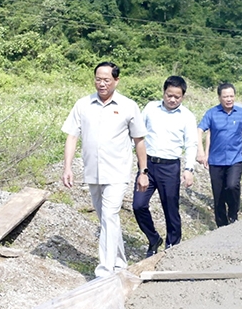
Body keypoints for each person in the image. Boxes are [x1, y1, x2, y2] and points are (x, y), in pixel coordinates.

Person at [62, 62, 148, 278]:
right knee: (107, 219)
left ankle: (104, 271)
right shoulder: (83, 104)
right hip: (92, 171)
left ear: (116, 81)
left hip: (117, 172)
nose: (101, 83)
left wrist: (143, 171)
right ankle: (119, 263)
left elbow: (139, 141)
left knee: (110, 215)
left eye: (106, 80)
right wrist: (67, 167)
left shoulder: (128, 106)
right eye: (98, 79)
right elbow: (72, 136)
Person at [132, 76, 199, 257]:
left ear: (183, 97)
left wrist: (189, 168)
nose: (172, 100)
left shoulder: (187, 116)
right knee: (138, 205)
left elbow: (191, 144)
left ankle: (172, 245)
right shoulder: (151, 108)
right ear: (163, 93)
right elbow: (137, 133)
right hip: (147, 165)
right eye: (169, 95)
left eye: (177, 97)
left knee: (170, 208)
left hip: (170, 167)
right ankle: (153, 238)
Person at [197, 83, 242, 227]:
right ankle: (221, 225)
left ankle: (233, 214)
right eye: (225, 96)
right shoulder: (212, 113)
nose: (229, 99)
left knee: (232, 185)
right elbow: (199, 130)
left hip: (235, 158)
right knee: (218, 194)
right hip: (216, 160)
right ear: (219, 97)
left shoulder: (241, 113)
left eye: (231, 96)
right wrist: (202, 152)